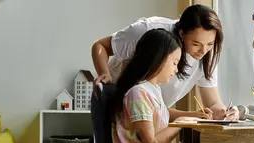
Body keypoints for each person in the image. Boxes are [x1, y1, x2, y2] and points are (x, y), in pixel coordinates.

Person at [107, 28, 234, 143]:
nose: (176, 70)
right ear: (159, 59)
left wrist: (194, 115)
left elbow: (160, 112)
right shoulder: (138, 93)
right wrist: (181, 123)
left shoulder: (151, 89)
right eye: (174, 63)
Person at [91, 4, 239, 121]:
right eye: (196, 44)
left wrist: (227, 113)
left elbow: (213, 103)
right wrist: (105, 74)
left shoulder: (206, 53)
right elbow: (100, 46)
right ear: (181, 33)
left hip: (150, 113)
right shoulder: (150, 31)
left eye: (210, 44)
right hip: (119, 102)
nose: (203, 51)